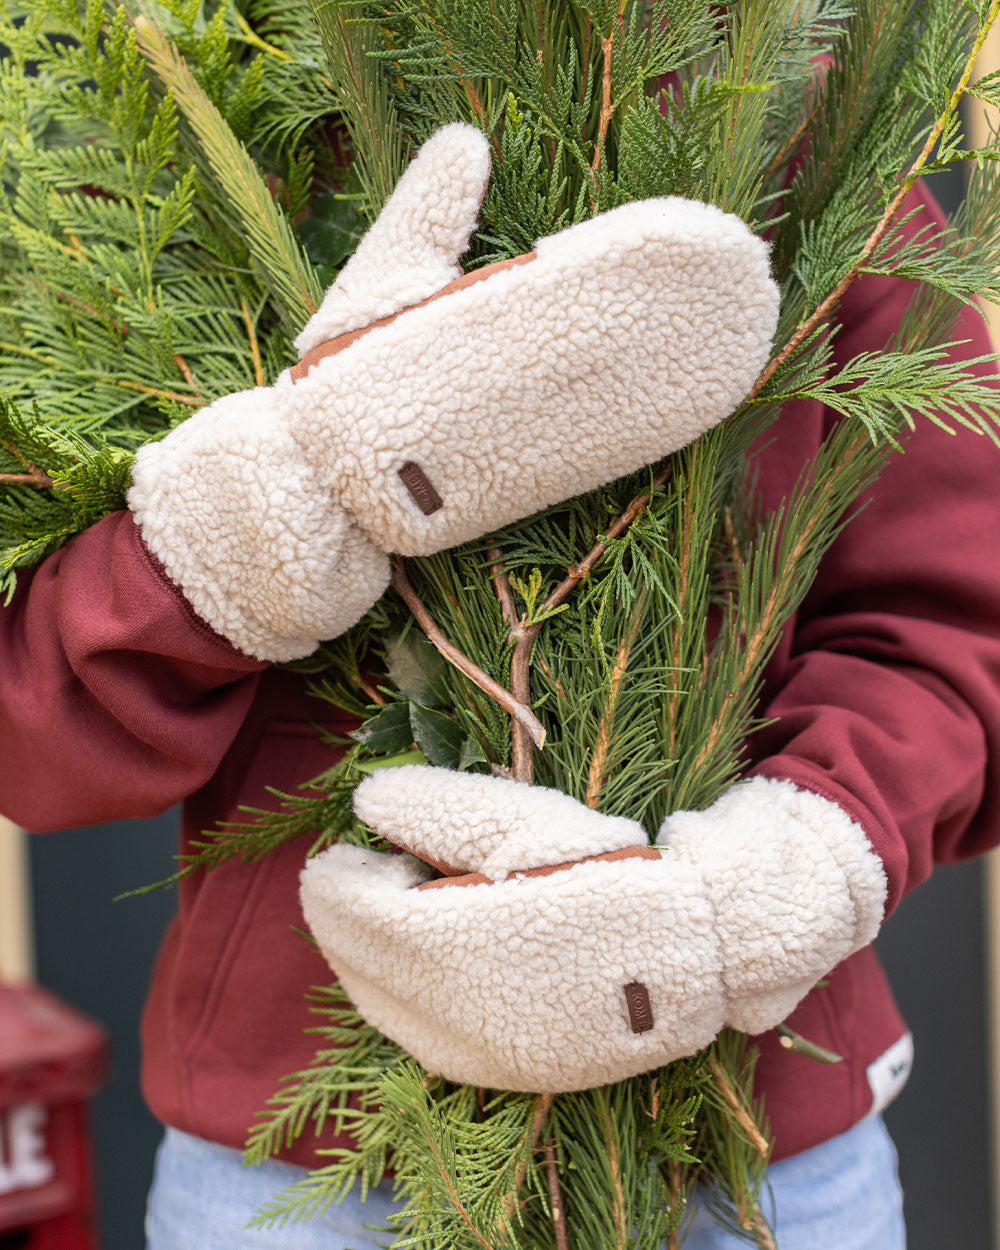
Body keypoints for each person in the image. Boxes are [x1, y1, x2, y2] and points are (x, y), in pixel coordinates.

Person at [2, 123, 999, 1250]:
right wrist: (255, 516)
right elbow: (28, 709)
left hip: (751, 1144)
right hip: (306, 1164)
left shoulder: (798, 118)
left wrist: (778, 885)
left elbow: (957, 615)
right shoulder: (144, 161)